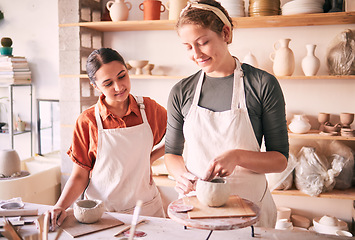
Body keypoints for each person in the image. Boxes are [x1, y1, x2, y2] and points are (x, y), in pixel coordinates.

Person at [164, 0, 289, 228]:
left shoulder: (262, 84)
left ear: (225, 33)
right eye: (188, 46)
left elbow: (279, 160)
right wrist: (182, 175)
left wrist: (237, 157)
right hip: (196, 210)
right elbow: (171, 154)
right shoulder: (181, 91)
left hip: (250, 212)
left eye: (203, 42)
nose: (196, 54)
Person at [49, 48, 167, 229]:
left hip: (147, 211)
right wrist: (59, 206)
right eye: (108, 83)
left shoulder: (149, 109)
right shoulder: (87, 121)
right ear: (95, 86)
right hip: (101, 214)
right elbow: (80, 176)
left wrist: (149, 158)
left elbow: (181, 133)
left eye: (122, 76)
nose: (119, 87)